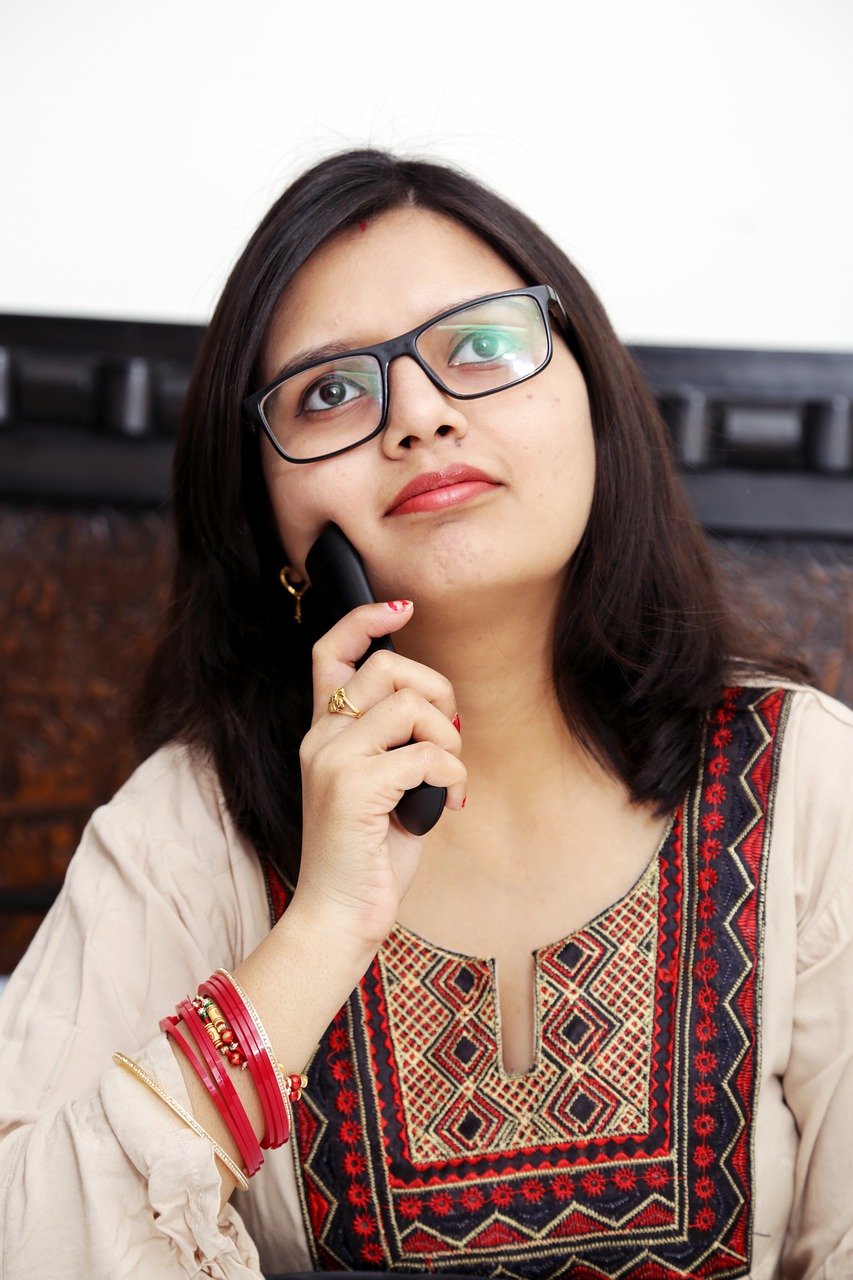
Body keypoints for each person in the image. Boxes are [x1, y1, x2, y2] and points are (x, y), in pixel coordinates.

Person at [0, 148, 851, 1280]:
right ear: (269, 518)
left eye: (482, 346)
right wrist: (316, 934)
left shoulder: (805, 789)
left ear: (592, 402)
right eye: (332, 390)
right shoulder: (188, 830)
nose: (419, 414)